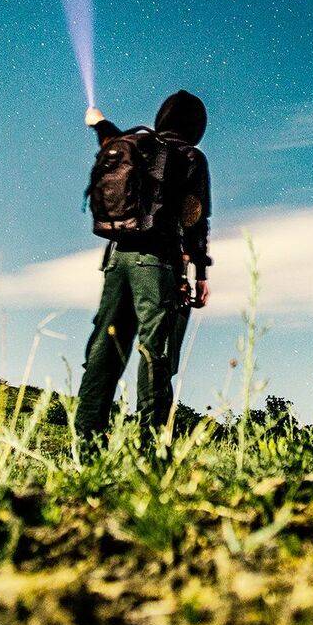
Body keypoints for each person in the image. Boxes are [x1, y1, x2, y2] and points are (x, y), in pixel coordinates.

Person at [75, 90, 212, 443]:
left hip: (117, 258)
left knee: (106, 345)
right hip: (157, 262)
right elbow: (194, 216)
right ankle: (150, 446)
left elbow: (109, 136)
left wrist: (99, 121)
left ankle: (86, 442)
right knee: (156, 351)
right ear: (196, 126)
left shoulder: (133, 144)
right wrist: (200, 273)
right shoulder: (191, 157)